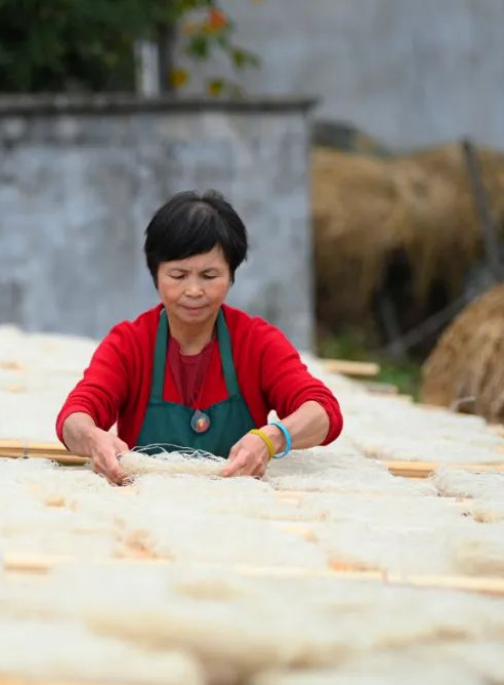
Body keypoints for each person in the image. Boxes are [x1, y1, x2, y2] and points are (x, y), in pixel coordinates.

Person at [57, 190, 342, 483]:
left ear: (231, 275)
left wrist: (272, 439)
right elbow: (75, 415)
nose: (193, 291)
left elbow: (322, 411)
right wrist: (93, 438)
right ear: (155, 274)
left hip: (240, 509)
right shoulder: (130, 344)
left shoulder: (257, 342)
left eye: (209, 276)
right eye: (178, 276)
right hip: (145, 509)